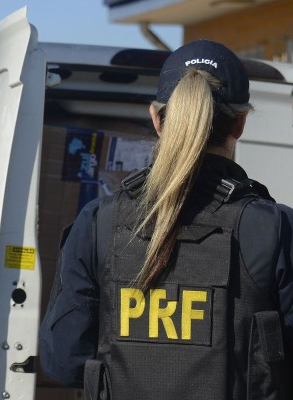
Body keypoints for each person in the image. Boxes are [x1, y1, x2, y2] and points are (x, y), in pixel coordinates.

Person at [39, 40, 292, 399]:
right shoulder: (274, 228)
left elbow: (63, 360)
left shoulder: (100, 221)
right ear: (240, 123)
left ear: (157, 118)